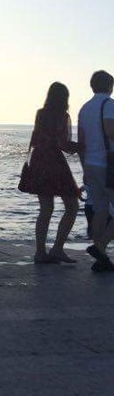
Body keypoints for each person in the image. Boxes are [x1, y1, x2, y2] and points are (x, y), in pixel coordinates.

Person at [20, 82, 80, 264]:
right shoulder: (63, 116)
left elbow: (36, 137)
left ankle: (40, 252)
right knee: (72, 206)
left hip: (38, 160)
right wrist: (81, 147)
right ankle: (57, 249)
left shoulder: (41, 113)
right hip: (54, 161)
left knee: (45, 209)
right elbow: (62, 143)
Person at [78, 70, 114, 271]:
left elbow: (82, 142)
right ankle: (100, 247)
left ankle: (101, 258)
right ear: (110, 86)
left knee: (100, 209)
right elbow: (110, 130)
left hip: (91, 164)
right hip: (107, 164)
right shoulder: (110, 105)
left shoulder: (84, 109)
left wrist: (84, 168)